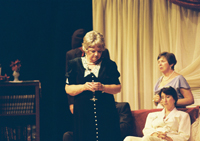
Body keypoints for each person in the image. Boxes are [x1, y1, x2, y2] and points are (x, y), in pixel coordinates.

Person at [65, 30, 121, 141]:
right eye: (92, 51)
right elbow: (68, 88)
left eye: (99, 51)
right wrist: (83, 87)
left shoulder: (109, 65)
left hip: (105, 110)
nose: (96, 54)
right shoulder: (74, 64)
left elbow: (118, 87)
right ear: (85, 49)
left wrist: (103, 87)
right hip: (83, 112)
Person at [66, 28, 110, 114]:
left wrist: (104, 88)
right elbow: (70, 81)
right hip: (81, 98)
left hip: (101, 98)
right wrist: (71, 103)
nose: (96, 54)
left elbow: (108, 76)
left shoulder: (104, 53)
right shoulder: (71, 55)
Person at [124, 86, 191, 141]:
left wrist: (168, 138)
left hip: (168, 139)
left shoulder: (183, 115)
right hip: (152, 138)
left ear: (174, 99)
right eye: (162, 98)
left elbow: (184, 136)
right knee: (128, 139)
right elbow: (146, 130)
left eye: (168, 97)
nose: (165, 100)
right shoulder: (152, 115)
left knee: (147, 138)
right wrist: (155, 134)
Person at [63, 102, 134, 141]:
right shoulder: (92, 109)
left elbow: (125, 127)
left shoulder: (122, 106)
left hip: (110, 136)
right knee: (68, 135)